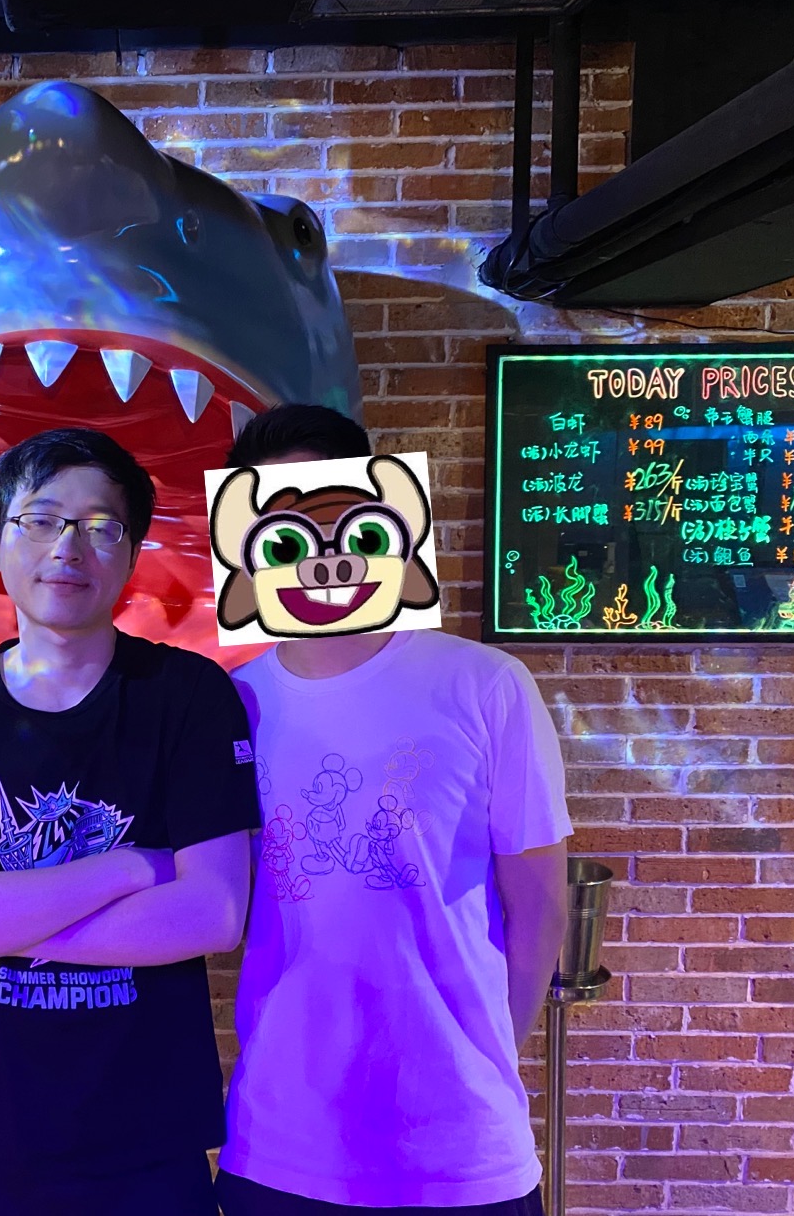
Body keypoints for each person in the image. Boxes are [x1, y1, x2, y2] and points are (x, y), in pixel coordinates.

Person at [0, 428, 260, 1216]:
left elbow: (214, 913)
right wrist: (130, 867)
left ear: (131, 552)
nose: (69, 546)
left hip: (147, 1132)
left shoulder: (187, 694)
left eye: (100, 525)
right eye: (41, 519)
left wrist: (0, 920)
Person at [215, 404, 571, 1216]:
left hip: (458, 1151)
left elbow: (540, 906)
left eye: (334, 516)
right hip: (280, 1143)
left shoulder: (483, 683)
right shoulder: (234, 700)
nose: (320, 556)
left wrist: (481, 1056)